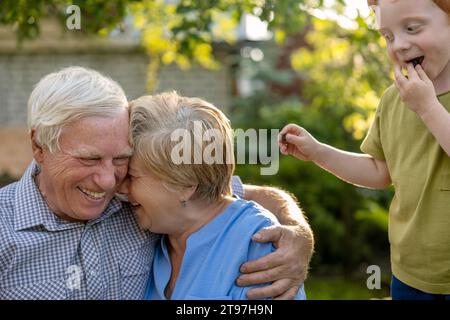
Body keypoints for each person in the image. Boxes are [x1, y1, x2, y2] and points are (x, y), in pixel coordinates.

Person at [0, 66, 314, 300]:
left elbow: (237, 198)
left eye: (122, 159)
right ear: (39, 146)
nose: (110, 181)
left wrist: (298, 235)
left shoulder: (145, 204)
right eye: (89, 159)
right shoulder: (5, 229)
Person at [279, 0, 450, 300]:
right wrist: (319, 152)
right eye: (388, 36)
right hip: (411, 274)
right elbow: (380, 171)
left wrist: (428, 108)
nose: (399, 45)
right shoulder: (393, 100)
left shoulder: (420, 103)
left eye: (411, 28)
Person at [118, 92, 307, 300]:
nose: (121, 188)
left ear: (185, 184)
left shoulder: (256, 242)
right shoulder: (160, 231)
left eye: (132, 176)